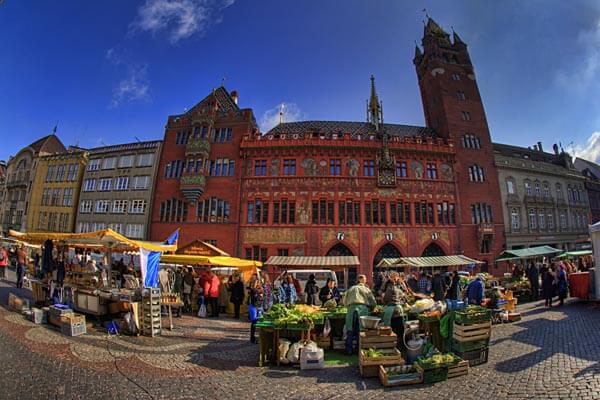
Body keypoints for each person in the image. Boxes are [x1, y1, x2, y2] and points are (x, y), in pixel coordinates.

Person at [343, 274, 376, 355]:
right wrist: (372, 308)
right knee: (361, 330)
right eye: (365, 279)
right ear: (362, 280)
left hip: (351, 309)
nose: (365, 281)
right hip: (362, 309)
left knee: (350, 329)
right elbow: (373, 302)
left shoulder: (351, 288)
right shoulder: (366, 289)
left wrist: (347, 306)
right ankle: (359, 349)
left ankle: (349, 350)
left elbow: (344, 300)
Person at [248, 279, 264, 343]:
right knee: (254, 323)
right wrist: (255, 283)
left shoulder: (261, 290)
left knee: (260, 323)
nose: (257, 284)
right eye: (256, 283)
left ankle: (260, 337)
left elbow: (262, 297)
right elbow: (254, 289)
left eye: (258, 283)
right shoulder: (253, 290)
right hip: (253, 307)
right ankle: (252, 338)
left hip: (259, 307)